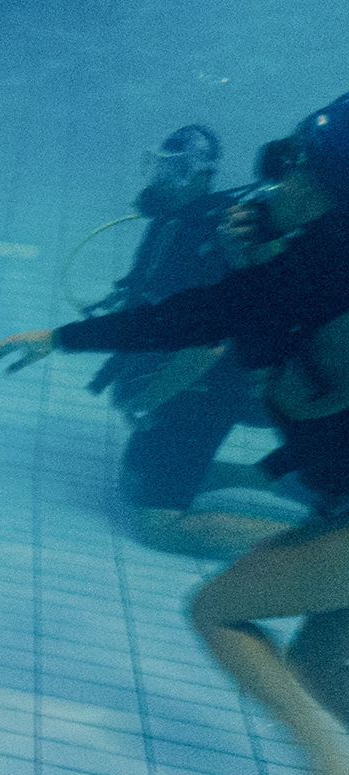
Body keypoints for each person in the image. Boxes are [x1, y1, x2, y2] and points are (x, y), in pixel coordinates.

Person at [0, 95, 349, 775]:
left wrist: (59, 339)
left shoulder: (325, 265)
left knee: (217, 611)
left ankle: (331, 766)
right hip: (336, 497)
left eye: (305, 166)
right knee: (313, 661)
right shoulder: (319, 256)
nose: (286, 177)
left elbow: (213, 318)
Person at [84, 125, 289, 558]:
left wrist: (148, 398)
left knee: (157, 523)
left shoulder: (213, 233)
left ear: (201, 176)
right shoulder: (177, 223)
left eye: (175, 169)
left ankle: (324, 554)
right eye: (159, 166)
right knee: (133, 479)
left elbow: (207, 345)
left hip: (229, 381)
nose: (161, 178)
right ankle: (298, 478)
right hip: (233, 376)